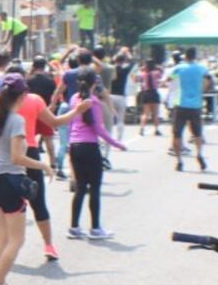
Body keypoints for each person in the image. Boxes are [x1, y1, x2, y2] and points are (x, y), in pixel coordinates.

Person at [0, 73, 54, 285]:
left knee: (3, 237)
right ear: (21, 95)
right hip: (10, 180)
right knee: (16, 240)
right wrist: (44, 165)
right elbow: (18, 157)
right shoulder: (16, 120)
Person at [68, 70, 128, 238]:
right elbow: (98, 129)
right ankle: (95, 228)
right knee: (94, 187)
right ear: (95, 83)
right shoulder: (94, 102)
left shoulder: (74, 99)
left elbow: (73, 123)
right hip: (89, 147)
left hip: (75, 146)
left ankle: (74, 227)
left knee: (80, 188)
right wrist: (117, 144)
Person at [170, 47, 209, 171]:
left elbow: (173, 84)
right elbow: (208, 80)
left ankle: (179, 161)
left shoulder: (178, 68)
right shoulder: (201, 68)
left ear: (185, 56)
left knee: (177, 134)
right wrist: (201, 90)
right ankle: (199, 154)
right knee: (197, 133)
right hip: (195, 105)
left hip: (180, 104)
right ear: (195, 56)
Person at [109, 48, 133, 145]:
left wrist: (115, 57)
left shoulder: (110, 70)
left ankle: (107, 138)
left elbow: (111, 61)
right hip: (121, 96)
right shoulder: (124, 71)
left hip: (110, 96)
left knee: (108, 118)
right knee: (120, 119)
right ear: (123, 61)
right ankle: (119, 140)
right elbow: (132, 62)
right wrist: (127, 53)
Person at [137, 58, 164, 136]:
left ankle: (142, 128)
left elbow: (137, 78)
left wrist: (142, 68)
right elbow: (162, 73)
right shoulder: (156, 73)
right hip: (154, 93)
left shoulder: (143, 74)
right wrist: (158, 67)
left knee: (145, 113)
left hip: (146, 93)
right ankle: (156, 129)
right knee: (155, 113)